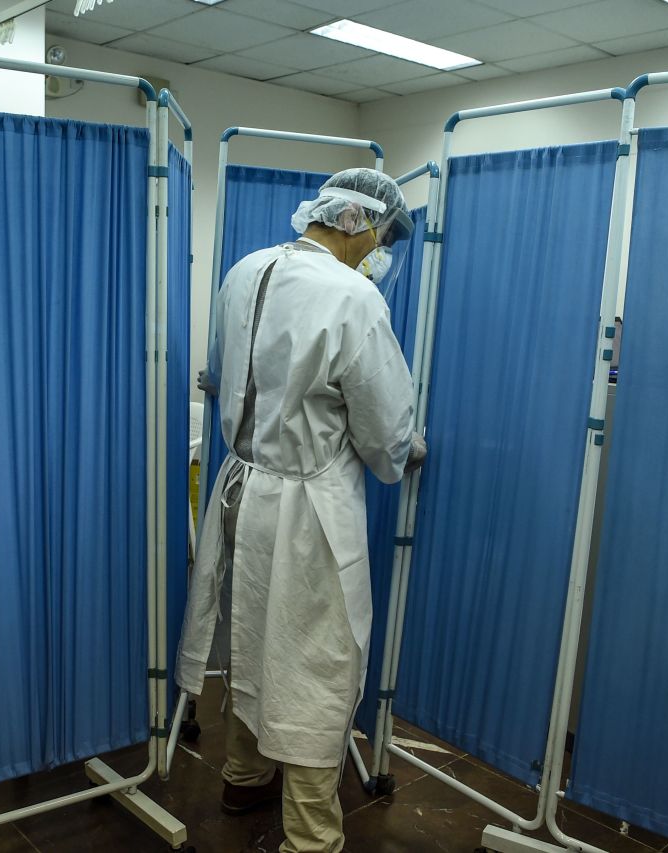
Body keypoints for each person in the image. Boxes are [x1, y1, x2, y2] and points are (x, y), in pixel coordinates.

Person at [176, 168, 427, 853]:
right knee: (316, 659)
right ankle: (312, 834)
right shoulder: (356, 297)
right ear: (357, 222)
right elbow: (384, 432)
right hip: (308, 507)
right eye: (383, 234)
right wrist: (411, 449)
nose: (383, 248)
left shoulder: (245, 270)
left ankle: (244, 771)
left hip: (242, 487)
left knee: (252, 634)